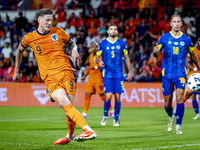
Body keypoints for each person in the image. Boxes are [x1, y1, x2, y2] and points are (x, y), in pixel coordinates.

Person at [12, 8, 97, 145]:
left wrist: (74, 50)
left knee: (69, 109)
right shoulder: (30, 38)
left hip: (67, 72)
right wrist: (16, 71)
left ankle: (70, 136)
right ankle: (87, 129)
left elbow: (72, 43)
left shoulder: (58, 32)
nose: (49, 22)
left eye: (51, 20)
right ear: (39, 20)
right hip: (50, 77)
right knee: (64, 103)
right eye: (47, 20)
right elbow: (20, 50)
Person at [153, 14, 200, 134]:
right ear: (171, 24)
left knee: (179, 97)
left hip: (180, 73)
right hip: (167, 74)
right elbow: (156, 53)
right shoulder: (164, 38)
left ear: (181, 24)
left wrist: (198, 67)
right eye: (174, 21)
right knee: (167, 103)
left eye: (179, 21)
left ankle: (179, 125)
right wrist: (155, 53)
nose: (176, 23)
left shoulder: (186, 39)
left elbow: (193, 54)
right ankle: (171, 117)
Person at [96, 23, 132, 126]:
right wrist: (99, 62)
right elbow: (96, 57)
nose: (113, 31)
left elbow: (127, 57)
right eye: (111, 29)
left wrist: (129, 71)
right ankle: (105, 117)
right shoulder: (102, 44)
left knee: (117, 97)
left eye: (115, 29)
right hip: (107, 74)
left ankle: (116, 119)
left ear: (117, 32)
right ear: (107, 31)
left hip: (119, 74)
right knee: (108, 96)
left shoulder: (122, 43)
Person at [81, 42, 114, 118]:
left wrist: (95, 67)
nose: (94, 48)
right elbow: (89, 67)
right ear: (91, 48)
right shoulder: (90, 57)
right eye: (93, 47)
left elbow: (102, 66)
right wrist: (85, 76)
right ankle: (84, 113)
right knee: (87, 96)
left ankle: (111, 110)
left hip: (98, 80)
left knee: (103, 97)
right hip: (90, 80)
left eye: (96, 47)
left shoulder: (100, 57)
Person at [183, 36, 200, 119]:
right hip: (194, 75)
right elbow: (186, 62)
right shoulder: (192, 50)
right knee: (190, 95)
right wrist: (194, 68)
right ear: (197, 42)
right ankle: (179, 105)